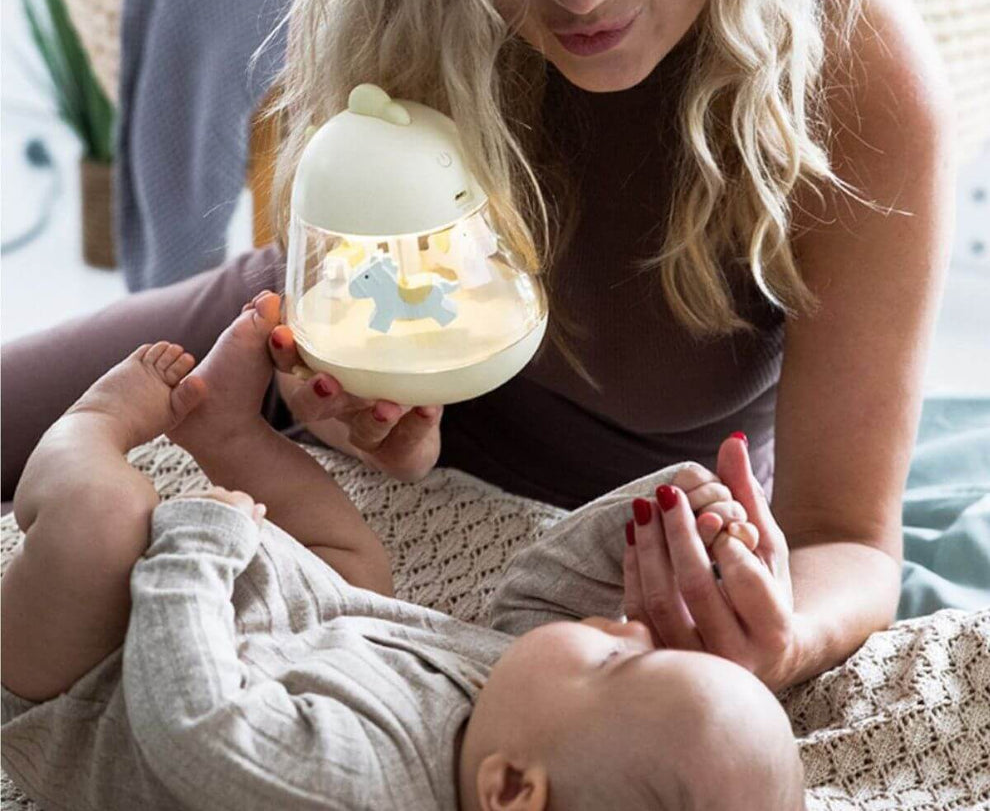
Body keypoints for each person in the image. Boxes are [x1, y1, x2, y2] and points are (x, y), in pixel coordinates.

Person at [0, 0, 954, 693]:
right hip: (272, 362)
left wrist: (782, 640)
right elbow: (366, 302)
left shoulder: (848, 54)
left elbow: (848, 540)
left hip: (593, 528)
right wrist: (361, 409)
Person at [1, 292, 805, 811]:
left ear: (512, 790)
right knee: (357, 569)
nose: (628, 626)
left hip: (102, 681)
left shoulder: (352, 785)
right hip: (291, 634)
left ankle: (86, 433)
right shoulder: (520, 721)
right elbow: (535, 601)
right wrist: (652, 511)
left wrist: (199, 547)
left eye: (620, 661)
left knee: (107, 521)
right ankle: (228, 434)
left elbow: (195, 723)